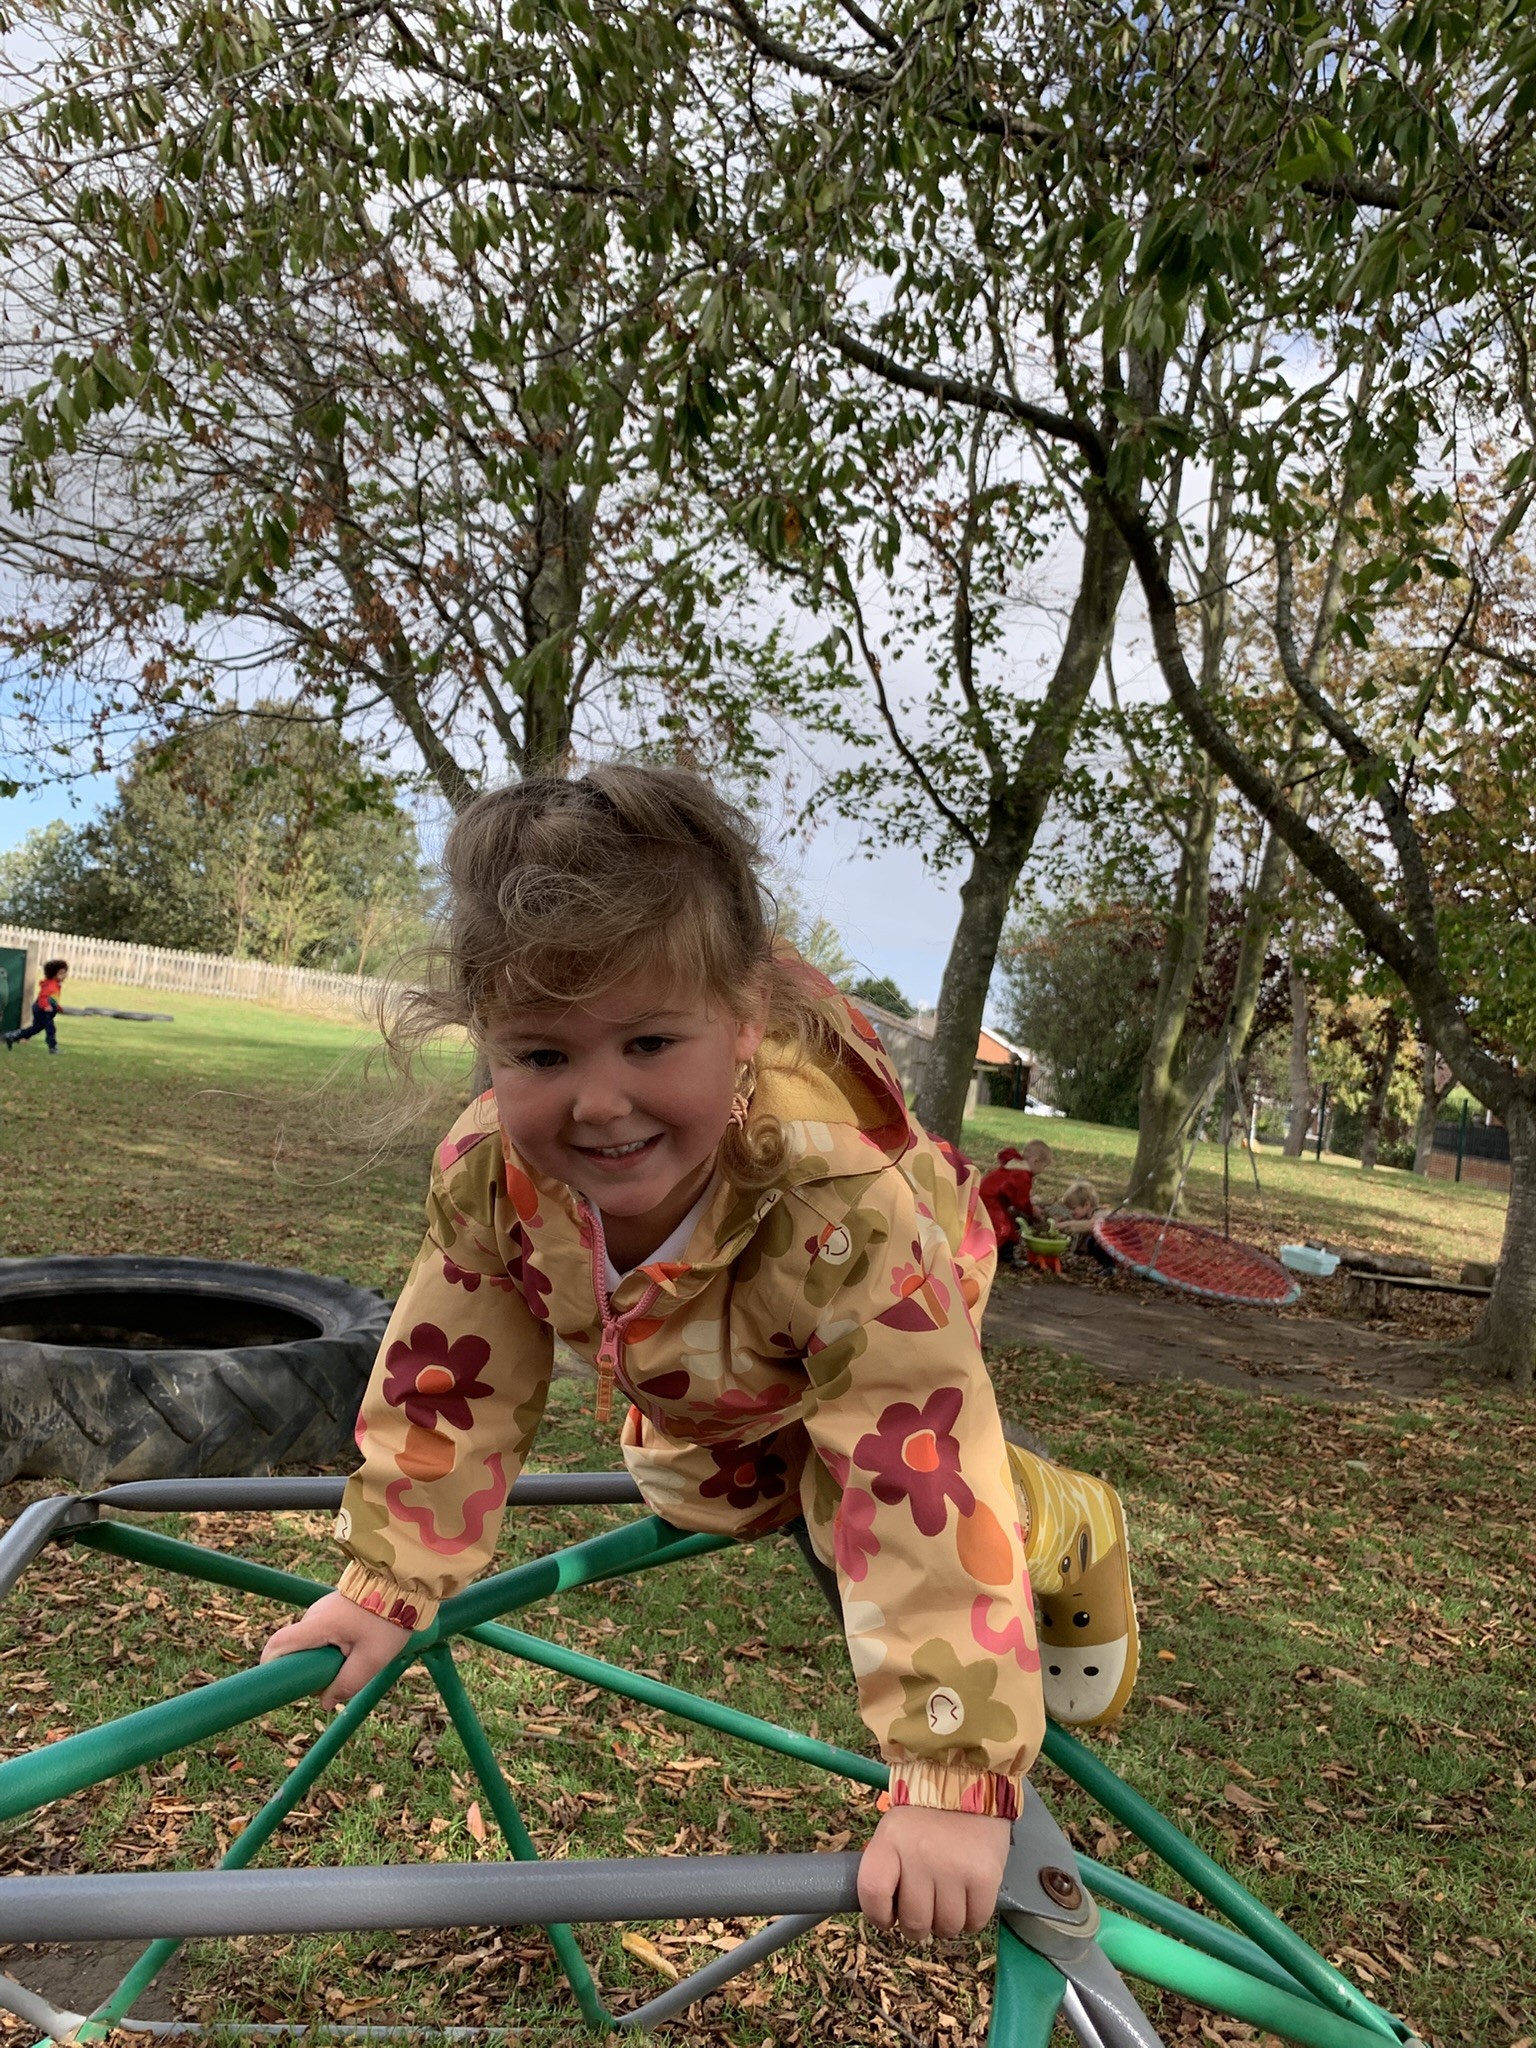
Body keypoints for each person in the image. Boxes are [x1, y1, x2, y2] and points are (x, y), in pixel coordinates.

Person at [260, 768, 1136, 1942]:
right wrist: (387, 1582)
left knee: (854, 1496)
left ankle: (1063, 1514)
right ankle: (767, 1450)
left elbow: (911, 1453)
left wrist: (953, 1770)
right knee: (704, 1481)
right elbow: (449, 1372)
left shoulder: (839, 1204)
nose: (600, 1101)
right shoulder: (493, 1172)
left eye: (650, 1039)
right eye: (539, 1055)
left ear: (743, 1020)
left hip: (886, 1307)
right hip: (699, 1359)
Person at [978, 1141, 1052, 1264]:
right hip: (991, 1201)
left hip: (990, 1199)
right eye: (1044, 1167)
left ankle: (1005, 1255)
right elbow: (1020, 1201)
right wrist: (1032, 1210)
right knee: (1002, 1229)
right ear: (1036, 1161)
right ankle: (986, 1253)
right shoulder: (1021, 1175)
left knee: (1009, 1226)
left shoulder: (1015, 1168)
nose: (1042, 1171)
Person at [1048, 1179, 1118, 1272]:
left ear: (1086, 1205)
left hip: (1120, 1245)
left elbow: (1092, 1225)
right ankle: (1105, 1266)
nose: (1071, 1212)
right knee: (1091, 1241)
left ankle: (1110, 1267)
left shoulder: (1099, 1213)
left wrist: (1067, 1224)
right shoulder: (1087, 1215)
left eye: (1073, 1208)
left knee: (1093, 1241)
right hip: (1113, 1246)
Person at [4, 958, 68, 1055]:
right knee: (50, 1028)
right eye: (61, 973)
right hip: (42, 1010)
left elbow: (52, 998)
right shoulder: (50, 985)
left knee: (35, 1029)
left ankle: (12, 1035)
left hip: (43, 1010)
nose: (64, 976)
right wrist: (46, 1006)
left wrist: (57, 1007)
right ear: (53, 974)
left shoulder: (55, 985)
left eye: (64, 973)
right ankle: (53, 1047)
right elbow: (43, 997)